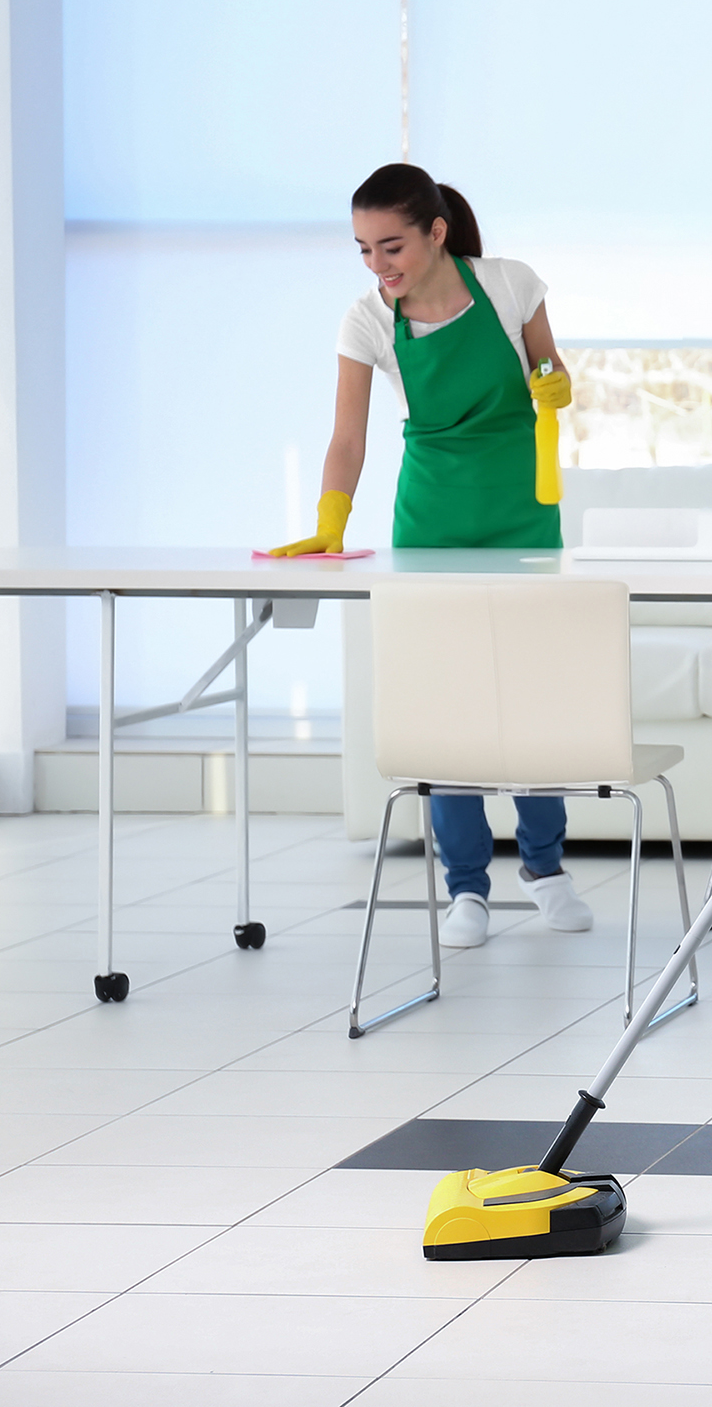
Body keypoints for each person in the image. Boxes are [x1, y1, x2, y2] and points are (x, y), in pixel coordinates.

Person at [269, 163, 592, 949]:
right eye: (365, 250)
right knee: (451, 706)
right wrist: (330, 518)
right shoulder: (367, 322)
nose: (380, 265)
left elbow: (552, 374)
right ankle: (467, 889)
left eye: (393, 245)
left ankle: (546, 869)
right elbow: (349, 435)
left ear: (436, 231)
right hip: (433, 520)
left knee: (531, 701)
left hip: (524, 516)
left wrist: (555, 386)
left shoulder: (510, 286)